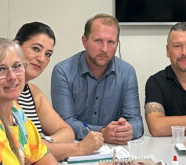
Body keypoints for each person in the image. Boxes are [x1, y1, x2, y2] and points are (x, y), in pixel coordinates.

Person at [14, 21, 105, 161]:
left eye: (48, 54)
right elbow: (21, 149)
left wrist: (44, 143)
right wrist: (79, 148)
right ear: (15, 46)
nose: (41, 59)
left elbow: (67, 132)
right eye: (36, 49)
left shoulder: (33, 92)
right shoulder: (0, 92)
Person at [50, 13, 143, 145]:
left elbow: (137, 123)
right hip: (76, 148)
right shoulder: (63, 71)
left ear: (117, 44)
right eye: (98, 41)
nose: (104, 49)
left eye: (111, 42)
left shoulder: (127, 72)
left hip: (115, 150)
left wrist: (127, 130)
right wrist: (102, 132)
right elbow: (65, 122)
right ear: (84, 41)